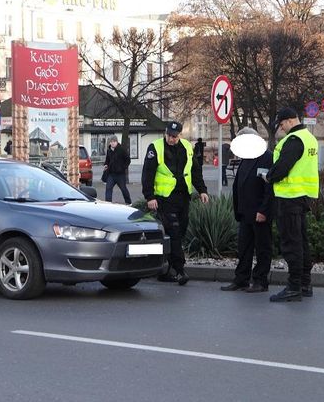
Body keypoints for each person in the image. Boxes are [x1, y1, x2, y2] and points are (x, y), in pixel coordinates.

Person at [142, 121, 210, 285]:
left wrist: (202, 190)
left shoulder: (187, 146)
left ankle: (167, 269)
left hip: (183, 197)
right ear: (165, 133)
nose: (171, 139)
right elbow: (148, 173)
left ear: (180, 135)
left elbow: (194, 171)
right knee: (174, 232)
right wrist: (150, 196)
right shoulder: (156, 147)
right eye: (169, 136)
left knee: (179, 233)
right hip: (164, 198)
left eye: (174, 136)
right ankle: (180, 270)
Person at [265, 107, 319, 302]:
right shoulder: (310, 138)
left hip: (289, 198)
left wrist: (269, 176)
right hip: (304, 196)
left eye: (281, 124)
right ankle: (305, 283)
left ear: (289, 121)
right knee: (302, 241)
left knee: (291, 243)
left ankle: (294, 287)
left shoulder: (294, 140)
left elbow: (282, 167)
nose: (281, 128)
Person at [221, 127, 273, 293]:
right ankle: (241, 279)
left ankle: (260, 281)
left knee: (262, 248)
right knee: (244, 248)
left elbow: (269, 188)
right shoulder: (246, 157)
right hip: (244, 212)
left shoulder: (267, 157)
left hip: (259, 213)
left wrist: (264, 211)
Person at [104, 135, 132, 205]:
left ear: (117, 142)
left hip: (120, 174)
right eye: (111, 142)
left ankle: (129, 202)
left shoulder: (121, 149)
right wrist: (106, 164)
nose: (113, 143)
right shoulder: (109, 150)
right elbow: (107, 160)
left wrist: (123, 167)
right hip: (111, 174)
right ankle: (108, 204)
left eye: (114, 141)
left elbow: (128, 160)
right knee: (108, 188)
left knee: (123, 189)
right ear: (109, 143)